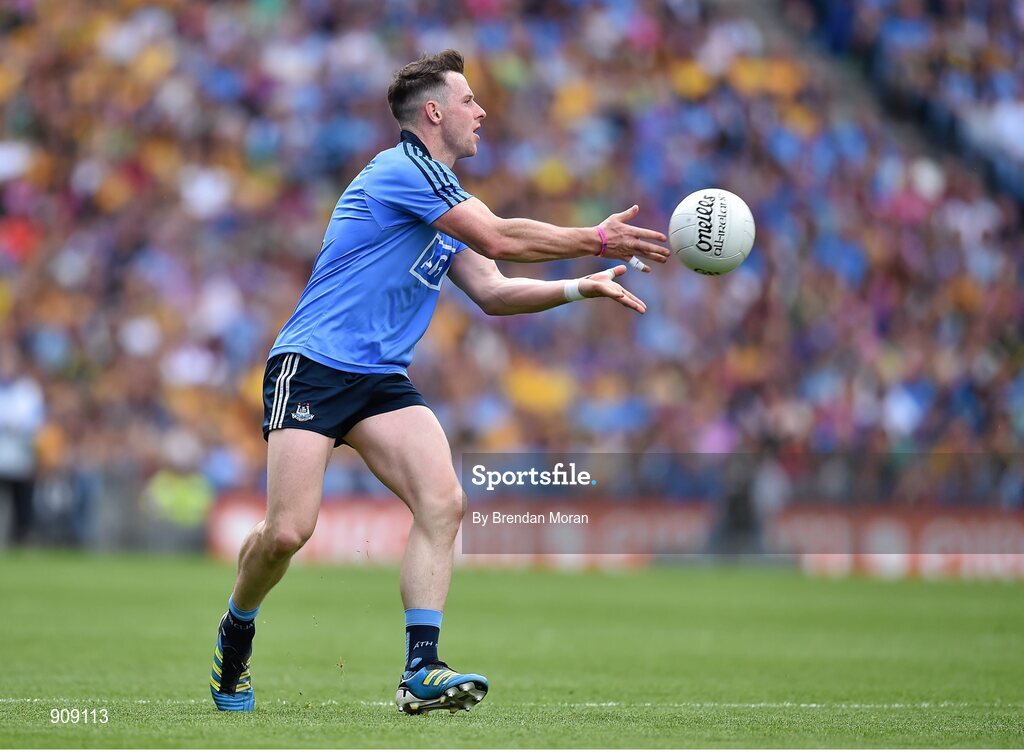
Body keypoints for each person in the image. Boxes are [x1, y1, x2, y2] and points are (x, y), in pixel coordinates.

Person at [208, 49, 668, 715]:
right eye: (469, 101)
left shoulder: (443, 198)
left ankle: (420, 669)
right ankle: (235, 629)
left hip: (379, 379)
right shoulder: (404, 171)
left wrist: (579, 286)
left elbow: (493, 289)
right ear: (434, 112)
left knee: (444, 500)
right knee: (287, 532)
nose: (481, 112)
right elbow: (503, 238)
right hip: (313, 364)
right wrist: (596, 238)